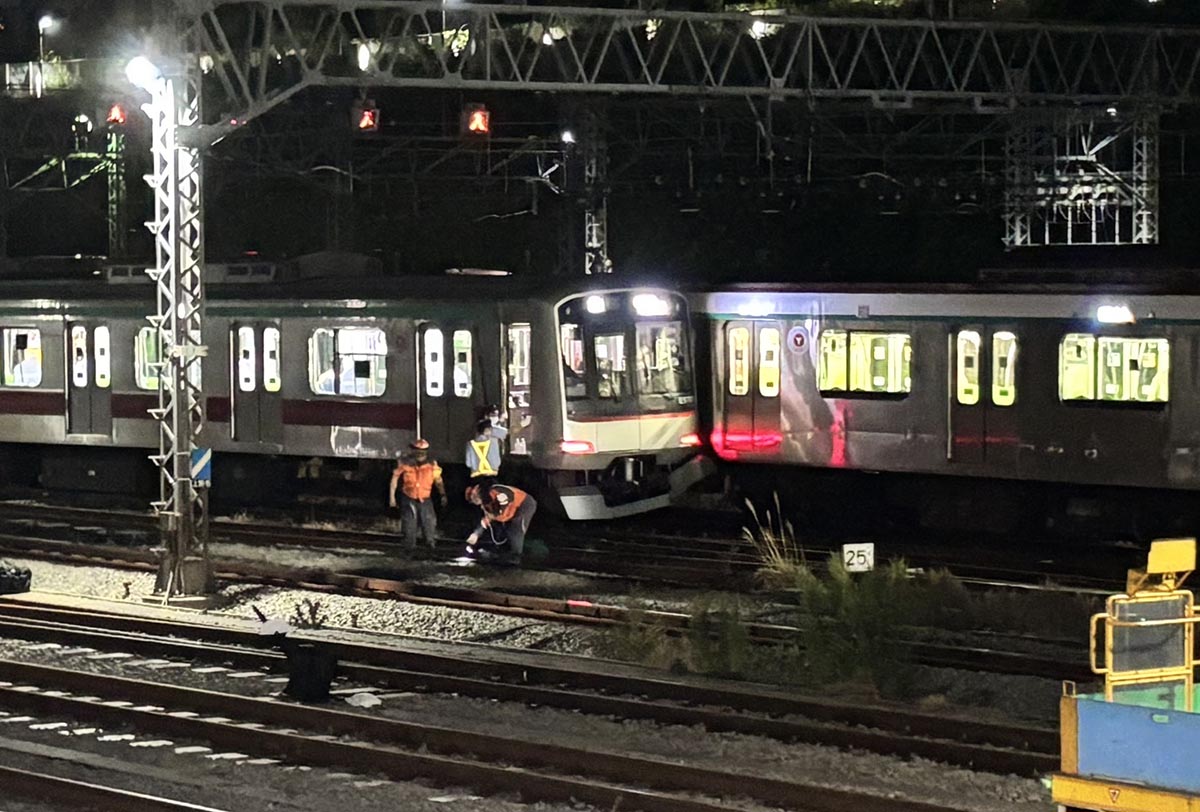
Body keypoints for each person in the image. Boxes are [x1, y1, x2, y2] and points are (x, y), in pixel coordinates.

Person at [388, 439, 447, 551]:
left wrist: (443, 494)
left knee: (428, 526)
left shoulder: (432, 465)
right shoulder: (405, 463)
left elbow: (438, 480)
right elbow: (394, 479)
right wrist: (392, 498)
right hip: (409, 499)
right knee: (409, 529)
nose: (419, 454)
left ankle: (429, 550)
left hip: (425, 499)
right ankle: (409, 552)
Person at [464, 482, 537, 565]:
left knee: (516, 529)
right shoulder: (485, 504)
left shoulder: (496, 491)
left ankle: (516, 557)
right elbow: (487, 518)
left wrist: (499, 510)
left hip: (524, 505)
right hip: (508, 513)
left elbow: (508, 497)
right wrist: (476, 534)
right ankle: (502, 554)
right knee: (503, 532)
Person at [465, 418, 502, 490]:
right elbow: (497, 462)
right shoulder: (494, 442)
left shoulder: (470, 444)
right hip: (492, 476)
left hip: (476, 478)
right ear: (487, 430)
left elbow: (468, 463)